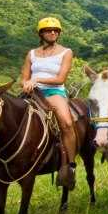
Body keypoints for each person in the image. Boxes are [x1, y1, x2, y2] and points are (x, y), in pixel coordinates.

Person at [21, 17, 78, 189]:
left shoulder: (66, 52)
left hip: (53, 91)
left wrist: (36, 79)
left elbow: (60, 78)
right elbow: (23, 78)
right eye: (48, 30)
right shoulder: (32, 53)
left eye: (56, 30)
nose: (52, 32)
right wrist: (26, 83)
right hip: (31, 92)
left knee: (67, 123)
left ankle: (70, 164)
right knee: (5, 114)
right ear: (41, 33)